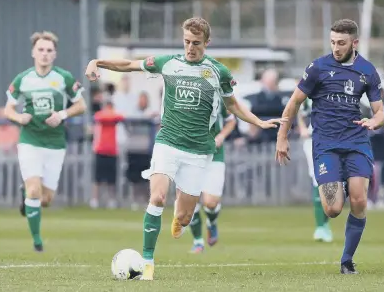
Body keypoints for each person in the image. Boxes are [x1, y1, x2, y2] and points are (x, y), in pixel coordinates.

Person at [84, 17, 286, 281]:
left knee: (185, 216)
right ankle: (148, 263)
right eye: (187, 42)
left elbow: (233, 105)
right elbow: (130, 65)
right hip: (167, 142)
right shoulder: (168, 63)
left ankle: (181, 216)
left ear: (207, 43)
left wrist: (258, 120)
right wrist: (97, 62)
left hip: (199, 151)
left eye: (197, 44)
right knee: (156, 198)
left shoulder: (218, 72)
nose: (191, 48)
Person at [276, 19, 384, 274]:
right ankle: (341, 182)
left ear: (354, 43)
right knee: (333, 209)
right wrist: (282, 137)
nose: (336, 48)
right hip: (325, 144)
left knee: (358, 201)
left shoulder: (367, 70)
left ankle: (347, 260)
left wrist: (374, 121)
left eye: (342, 43)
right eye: (333, 42)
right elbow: (293, 104)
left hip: (357, 141)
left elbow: (381, 113)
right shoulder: (317, 68)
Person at [4, 31, 86, 252]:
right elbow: (8, 109)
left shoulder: (64, 78)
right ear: (33, 52)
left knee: (46, 199)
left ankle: (26, 193)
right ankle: (37, 242)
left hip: (55, 143)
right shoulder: (23, 79)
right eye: (40, 49)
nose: (44, 54)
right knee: (34, 191)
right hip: (30, 139)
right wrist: (19, 117)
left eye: (49, 50)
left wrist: (62, 115)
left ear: (55, 54)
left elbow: (81, 105)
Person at [180, 104, 237, 253]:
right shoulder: (184, 95)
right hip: (190, 155)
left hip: (214, 155)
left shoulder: (218, 95)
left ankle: (212, 221)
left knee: (210, 203)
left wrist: (221, 136)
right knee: (189, 201)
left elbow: (231, 121)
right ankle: (198, 241)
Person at [298, 97, 333, 242]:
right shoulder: (309, 91)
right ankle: (320, 226)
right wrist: (302, 129)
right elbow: (299, 110)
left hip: (332, 139)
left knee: (331, 181)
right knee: (317, 178)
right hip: (313, 139)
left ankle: (325, 222)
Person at [90, 100, 124, 209]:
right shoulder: (100, 116)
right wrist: (110, 115)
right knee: (97, 178)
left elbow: (121, 117)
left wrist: (111, 115)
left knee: (111, 179)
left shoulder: (115, 117)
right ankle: (95, 199)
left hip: (112, 151)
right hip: (100, 150)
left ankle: (111, 200)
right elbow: (98, 117)